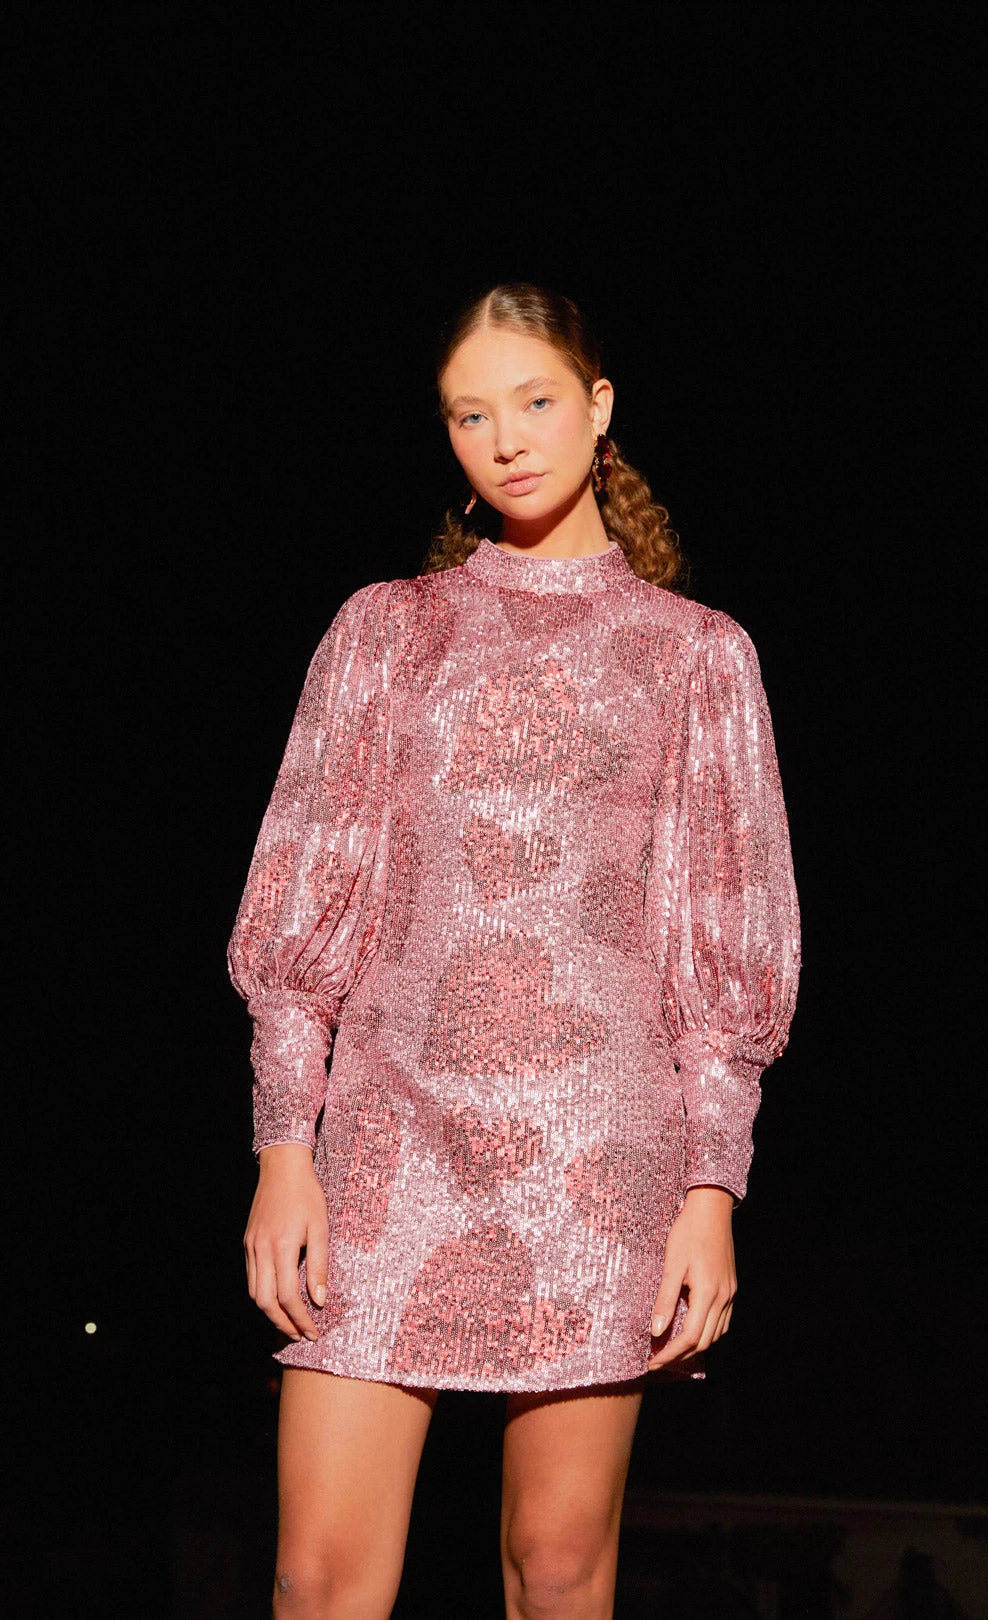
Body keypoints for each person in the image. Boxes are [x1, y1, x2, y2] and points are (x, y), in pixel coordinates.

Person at [227, 282, 800, 1619]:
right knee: (317, 1577)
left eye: (535, 401)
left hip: (598, 1157)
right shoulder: (387, 629)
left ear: (599, 407)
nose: (506, 438)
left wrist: (712, 1189)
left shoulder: (697, 658)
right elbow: (307, 895)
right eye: (469, 414)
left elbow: (726, 935)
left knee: (557, 1566)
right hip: (387, 1143)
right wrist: (284, 1150)